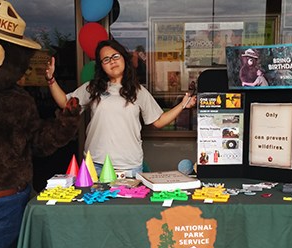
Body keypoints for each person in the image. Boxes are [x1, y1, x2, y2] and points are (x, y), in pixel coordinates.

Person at [46, 39, 197, 177]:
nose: (112, 61)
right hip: (95, 165)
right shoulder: (92, 88)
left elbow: (159, 121)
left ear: (124, 58)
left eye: (115, 56)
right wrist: (51, 80)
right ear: (101, 66)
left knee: (127, 207)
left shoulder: (138, 91)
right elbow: (65, 103)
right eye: (106, 59)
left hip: (129, 167)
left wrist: (183, 105)